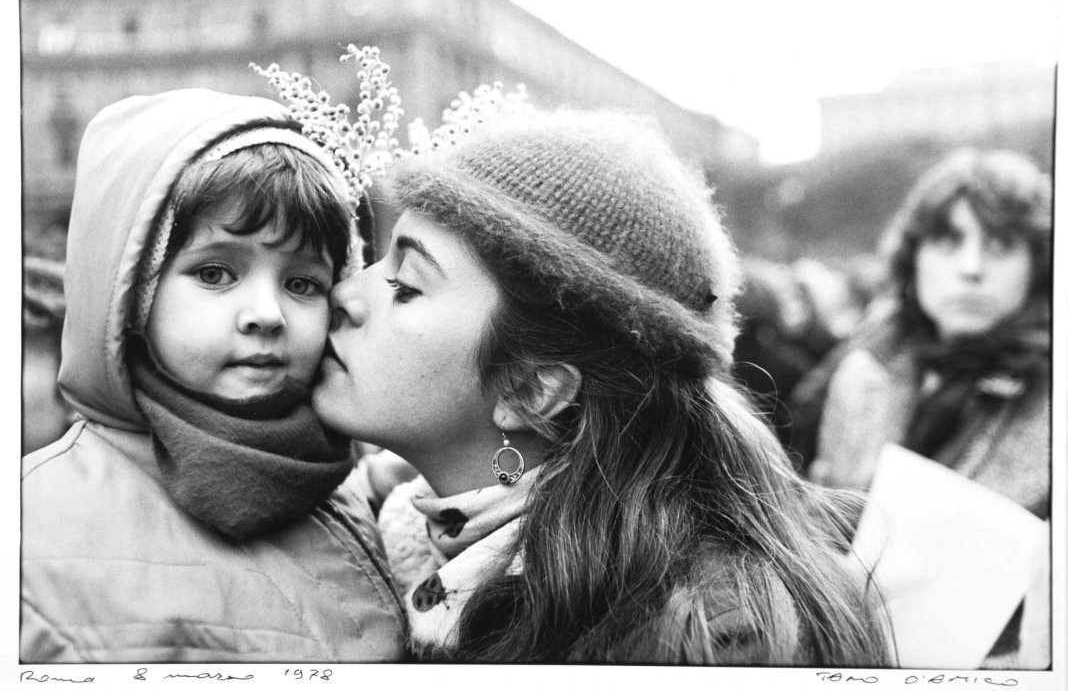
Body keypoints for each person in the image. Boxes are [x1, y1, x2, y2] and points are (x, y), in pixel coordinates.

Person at [312, 109, 892, 664]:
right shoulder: (384, 530)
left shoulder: (704, 641)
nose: (345, 294)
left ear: (533, 391)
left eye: (406, 284)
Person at [21, 89, 406, 662]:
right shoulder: (32, 534)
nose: (267, 314)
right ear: (131, 293)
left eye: (302, 283)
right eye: (216, 273)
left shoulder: (340, 483)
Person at [796, 148, 1051, 668]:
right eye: (947, 240)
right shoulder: (863, 369)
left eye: (1001, 246)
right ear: (913, 257)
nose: (971, 268)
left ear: (1040, 264)